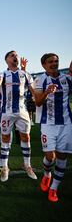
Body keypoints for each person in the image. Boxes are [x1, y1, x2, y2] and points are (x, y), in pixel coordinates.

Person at [0, 51, 37, 182]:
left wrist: (37, 97)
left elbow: (34, 90)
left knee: (25, 136)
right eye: (12, 55)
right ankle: (5, 167)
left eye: (16, 55)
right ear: (6, 60)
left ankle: (27, 165)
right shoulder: (2, 74)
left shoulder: (25, 75)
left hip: (22, 111)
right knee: (5, 138)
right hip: (7, 112)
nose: (15, 56)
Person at [34, 53, 72, 202]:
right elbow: (37, 102)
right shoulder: (40, 79)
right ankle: (47, 174)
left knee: (62, 157)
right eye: (50, 62)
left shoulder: (67, 79)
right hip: (48, 124)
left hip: (66, 124)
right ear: (44, 65)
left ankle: (54, 188)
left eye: (56, 61)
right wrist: (47, 92)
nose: (54, 64)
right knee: (50, 156)